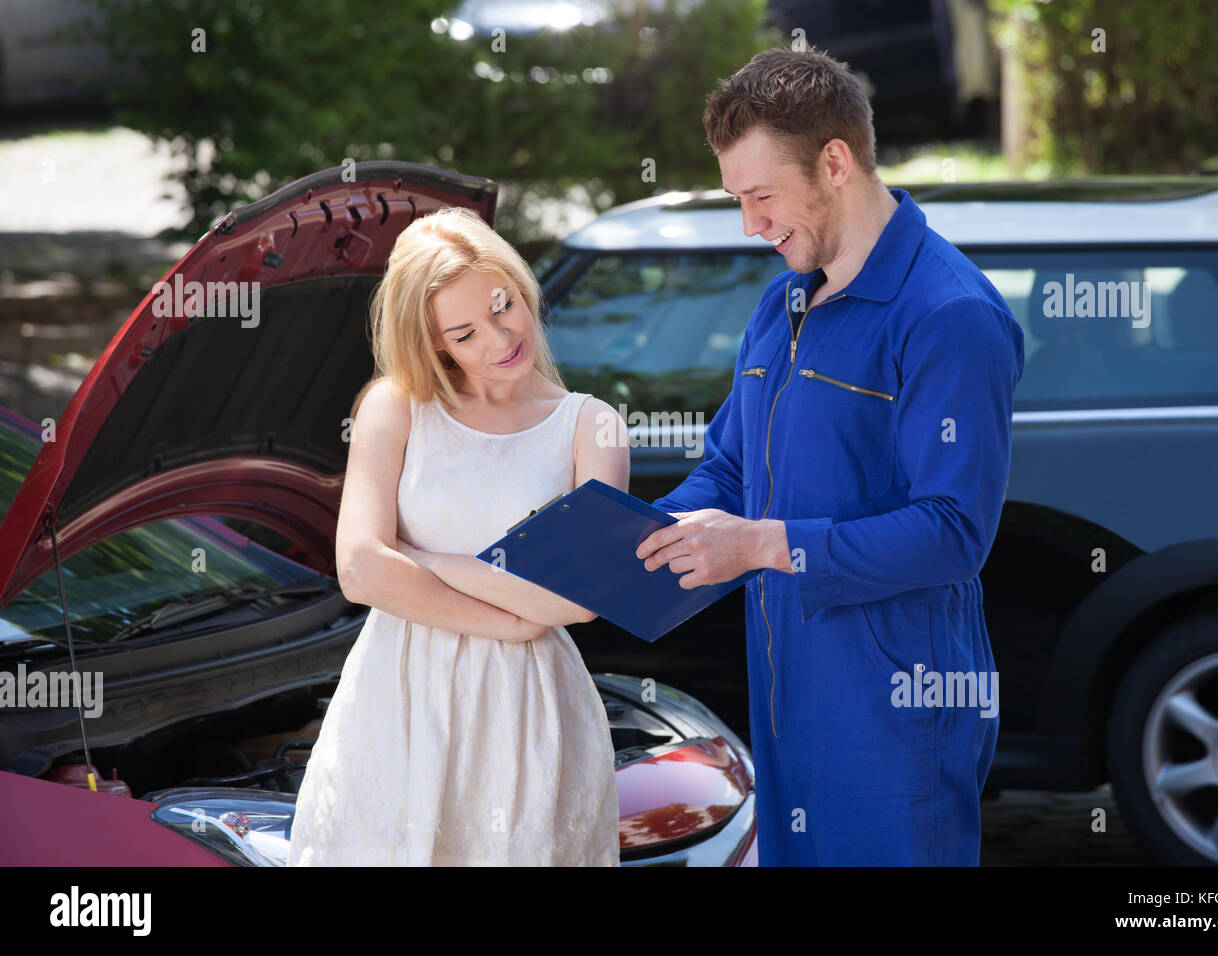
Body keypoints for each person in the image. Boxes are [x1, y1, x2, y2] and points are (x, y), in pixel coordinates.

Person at [635, 47, 1024, 865]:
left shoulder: (949, 315)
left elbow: (954, 530)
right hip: (787, 697)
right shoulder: (782, 305)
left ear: (836, 162)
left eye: (762, 196)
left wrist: (765, 544)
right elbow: (731, 472)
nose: (752, 225)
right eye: (738, 199)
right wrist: (635, 539)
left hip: (896, 714)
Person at [288, 205, 627, 866]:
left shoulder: (592, 426)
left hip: (527, 708)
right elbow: (359, 569)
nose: (500, 340)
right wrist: (506, 618)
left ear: (522, 288)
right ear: (435, 342)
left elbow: (582, 597)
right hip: (398, 698)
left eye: (504, 306)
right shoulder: (394, 407)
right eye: (466, 333)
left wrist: (418, 559)